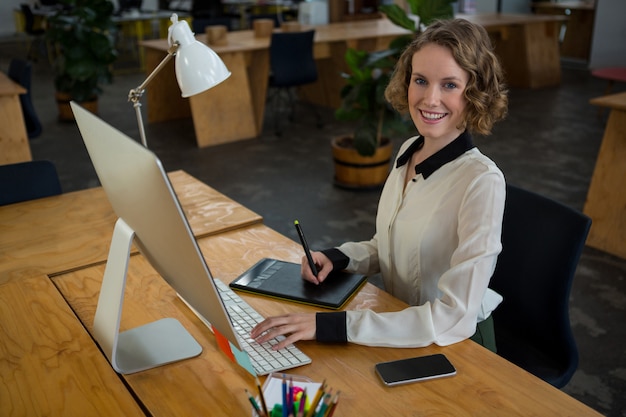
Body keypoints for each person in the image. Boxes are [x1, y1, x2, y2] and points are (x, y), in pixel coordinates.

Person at [251, 18, 509, 352]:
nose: (430, 99)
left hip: (455, 344)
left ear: (475, 92)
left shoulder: (481, 182)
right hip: (398, 323)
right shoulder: (408, 151)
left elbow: (453, 318)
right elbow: (391, 244)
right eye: (420, 80)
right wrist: (340, 258)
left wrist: (331, 325)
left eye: (449, 85)